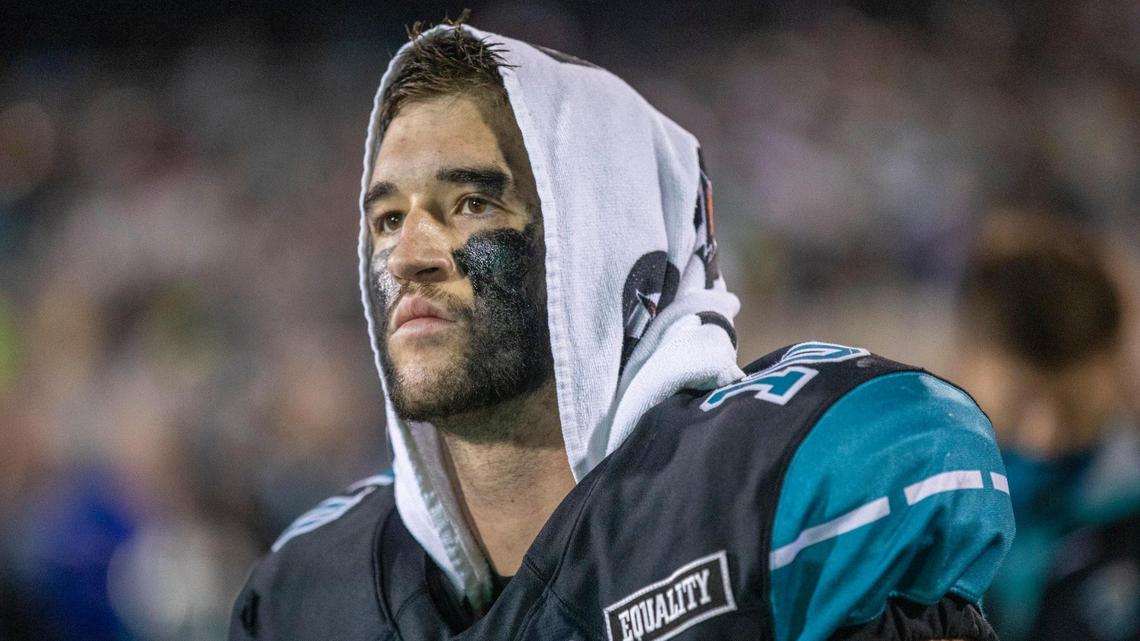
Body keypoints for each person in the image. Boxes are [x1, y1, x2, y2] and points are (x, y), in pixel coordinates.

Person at [229, 21, 1014, 641]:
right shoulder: (308, 591)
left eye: (471, 203)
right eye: (388, 218)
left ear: (602, 238)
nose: (408, 255)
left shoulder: (763, 495)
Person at [954, 210, 1140, 641]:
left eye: (1076, 407)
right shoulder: (896, 519)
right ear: (964, 364)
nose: (1046, 439)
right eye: (1019, 403)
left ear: (1117, 374)